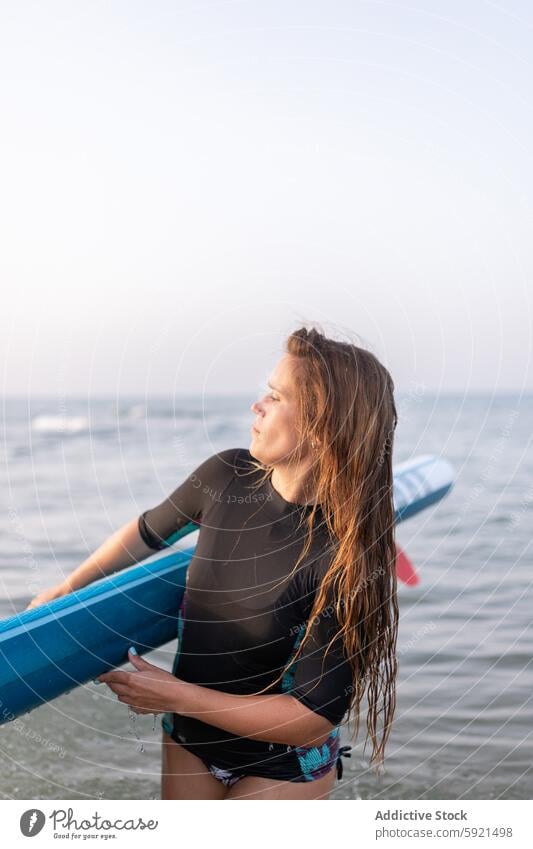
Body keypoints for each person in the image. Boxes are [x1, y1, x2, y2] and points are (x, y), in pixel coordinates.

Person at [26, 325, 399, 800]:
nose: (256, 406)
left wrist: (173, 694)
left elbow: (312, 717)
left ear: (325, 428)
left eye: (276, 398)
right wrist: (69, 587)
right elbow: (146, 533)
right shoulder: (226, 474)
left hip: (282, 763)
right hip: (191, 739)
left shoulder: (346, 559)